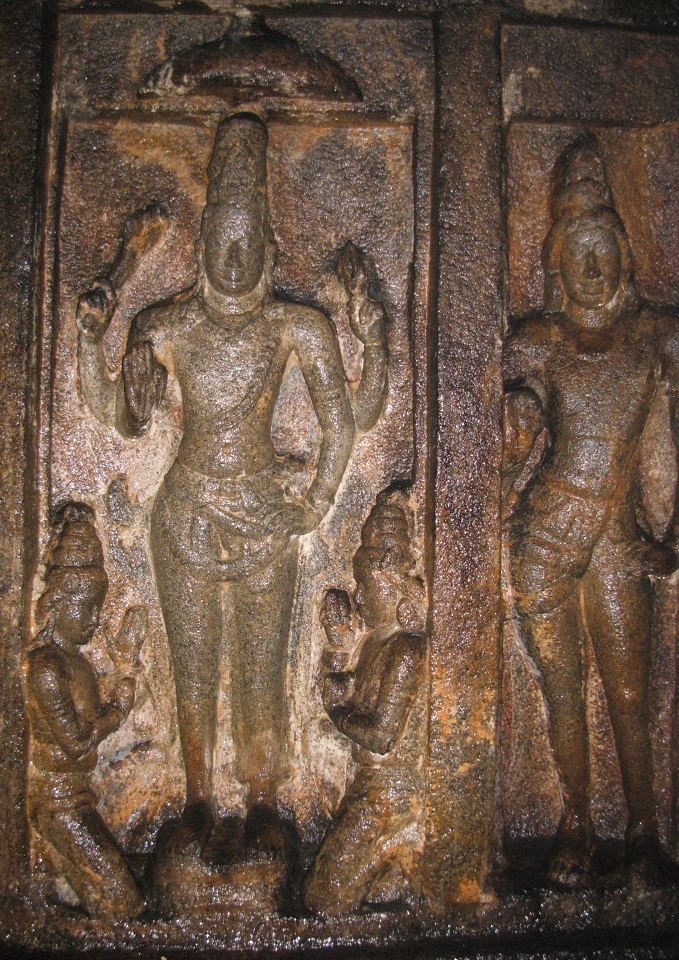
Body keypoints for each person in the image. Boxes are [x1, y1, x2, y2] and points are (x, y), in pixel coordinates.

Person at [76, 113, 388, 852]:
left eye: (249, 244)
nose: (236, 257)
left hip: (264, 516)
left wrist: (316, 503)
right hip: (184, 512)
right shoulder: (166, 325)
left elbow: (348, 421)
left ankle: (262, 803)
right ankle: (194, 801)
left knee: (259, 667)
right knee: (190, 665)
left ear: (270, 249)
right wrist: (93, 341)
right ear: (203, 242)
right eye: (223, 239)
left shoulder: (295, 326)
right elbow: (121, 415)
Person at [503, 135, 679, 888]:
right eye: (577, 252)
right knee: (563, 689)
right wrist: (515, 425)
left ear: (625, 252)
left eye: (603, 248)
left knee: (627, 690)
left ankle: (645, 831)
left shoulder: (661, 338)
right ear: (556, 265)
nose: (592, 266)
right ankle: (577, 822)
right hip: (544, 540)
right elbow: (501, 433)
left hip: (616, 538)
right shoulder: (540, 341)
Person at [304, 488, 426, 916]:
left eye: (366, 586)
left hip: (388, 792)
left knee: (323, 900)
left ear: (394, 590)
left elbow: (380, 736)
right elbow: (344, 685)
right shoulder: (376, 641)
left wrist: (338, 713)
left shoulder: (407, 650)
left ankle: (400, 843)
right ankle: (391, 862)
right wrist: (337, 644)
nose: (358, 597)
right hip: (367, 784)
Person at [26, 504, 146, 920]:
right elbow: (76, 743)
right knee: (123, 901)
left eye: (98, 607)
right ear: (57, 603)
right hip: (57, 800)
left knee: (125, 888)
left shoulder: (75, 662)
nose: (95, 619)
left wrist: (125, 666)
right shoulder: (46, 668)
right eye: (87, 608)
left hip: (80, 796)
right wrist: (117, 711)